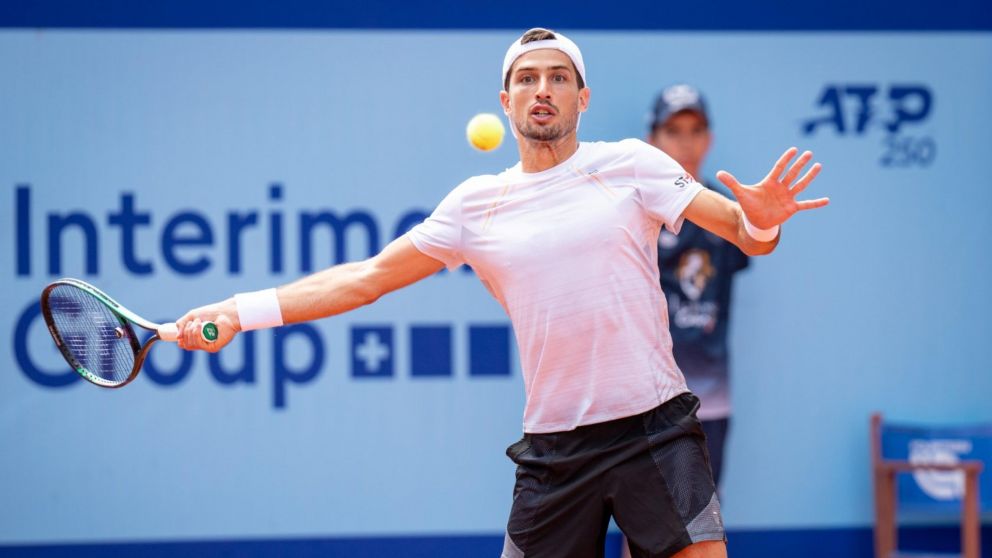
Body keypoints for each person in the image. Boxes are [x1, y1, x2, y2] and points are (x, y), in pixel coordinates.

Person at [174, 28, 827, 558]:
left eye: (558, 77)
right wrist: (238, 312)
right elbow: (365, 279)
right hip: (555, 451)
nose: (542, 89)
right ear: (506, 99)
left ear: (583, 98)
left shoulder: (632, 164)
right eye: (527, 78)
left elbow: (744, 234)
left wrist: (764, 218)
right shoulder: (474, 206)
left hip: (654, 429)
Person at [649, 84, 748, 488]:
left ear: (709, 139)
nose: (686, 143)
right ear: (651, 140)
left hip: (710, 396)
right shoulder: (636, 212)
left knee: (704, 528)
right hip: (647, 401)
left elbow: (756, 244)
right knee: (645, 531)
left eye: (695, 131)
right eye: (673, 131)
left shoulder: (726, 211)